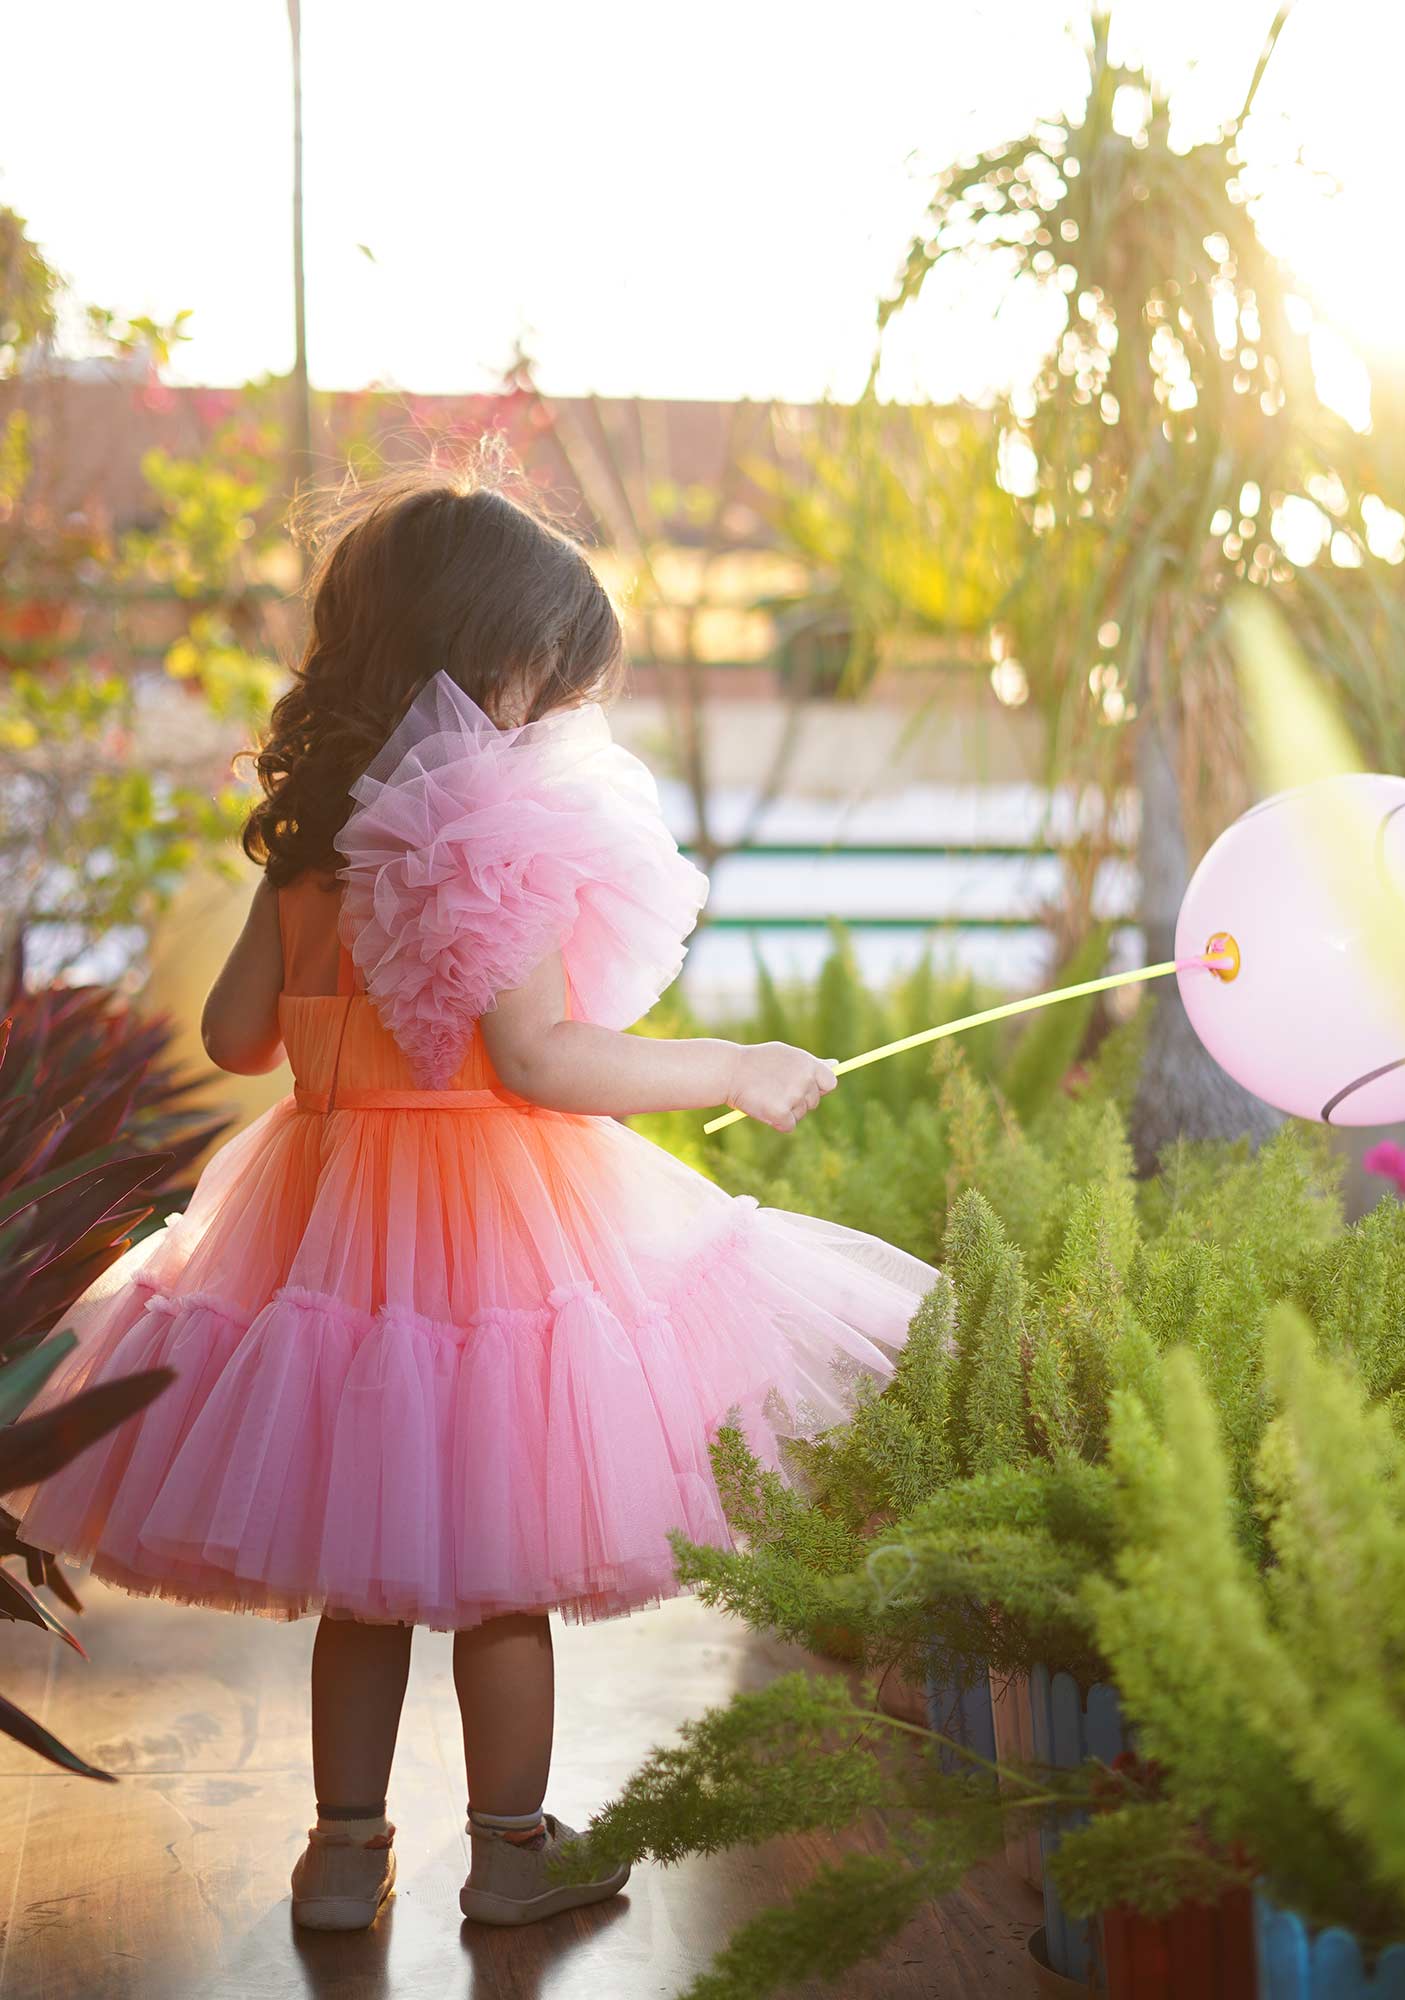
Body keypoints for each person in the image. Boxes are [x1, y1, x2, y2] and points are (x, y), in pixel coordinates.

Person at [1, 442, 938, 1934]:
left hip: (323, 1207)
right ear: (494, 666)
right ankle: (510, 1854)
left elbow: (236, 1038)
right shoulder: (491, 833)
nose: (559, 713)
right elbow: (546, 1060)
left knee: (361, 1572)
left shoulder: (309, 842)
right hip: (492, 1222)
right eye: (551, 679)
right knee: (503, 1568)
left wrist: (327, 1008)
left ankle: (339, 1856)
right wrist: (740, 1064)